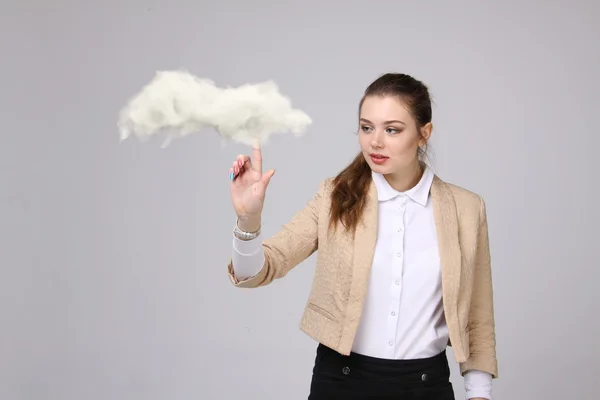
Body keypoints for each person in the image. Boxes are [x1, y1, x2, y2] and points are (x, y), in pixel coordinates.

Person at [226, 73, 498, 400]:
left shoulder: (467, 209)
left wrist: (479, 394)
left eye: (392, 129)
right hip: (341, 383)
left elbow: (478, 316)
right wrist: (248, 218)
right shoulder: (333, 196)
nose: (375, 142)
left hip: (426, 386)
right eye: (366, 127)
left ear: (424, 134)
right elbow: (259, 270)